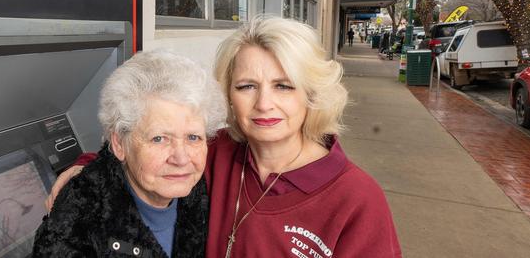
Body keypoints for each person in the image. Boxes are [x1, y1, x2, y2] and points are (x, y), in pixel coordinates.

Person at [47, 17, 402, 257]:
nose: (264, 104)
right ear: (228, 95)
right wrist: (85, 168)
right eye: (247, 86)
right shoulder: (215, 151)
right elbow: (145, 140)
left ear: (310, 94)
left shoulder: (356, 200)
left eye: (283, 86)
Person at [32, 50, 227, 257]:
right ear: (119, 144)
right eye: (159, 138)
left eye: (193, 137)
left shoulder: (202, 191)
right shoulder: (75, 225)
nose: (181, 158)